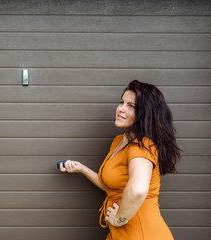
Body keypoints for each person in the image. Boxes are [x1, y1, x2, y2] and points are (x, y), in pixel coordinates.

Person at [59, 80, 181, 240]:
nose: (121, 109)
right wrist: (82, 169)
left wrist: (118, 219)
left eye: (131, 106)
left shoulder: (142, 145)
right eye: (121, 102)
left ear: (145, 113)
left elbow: (138, 190)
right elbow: (111, 185)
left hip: (142, 233)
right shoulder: (119, 141)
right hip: (121, 234)